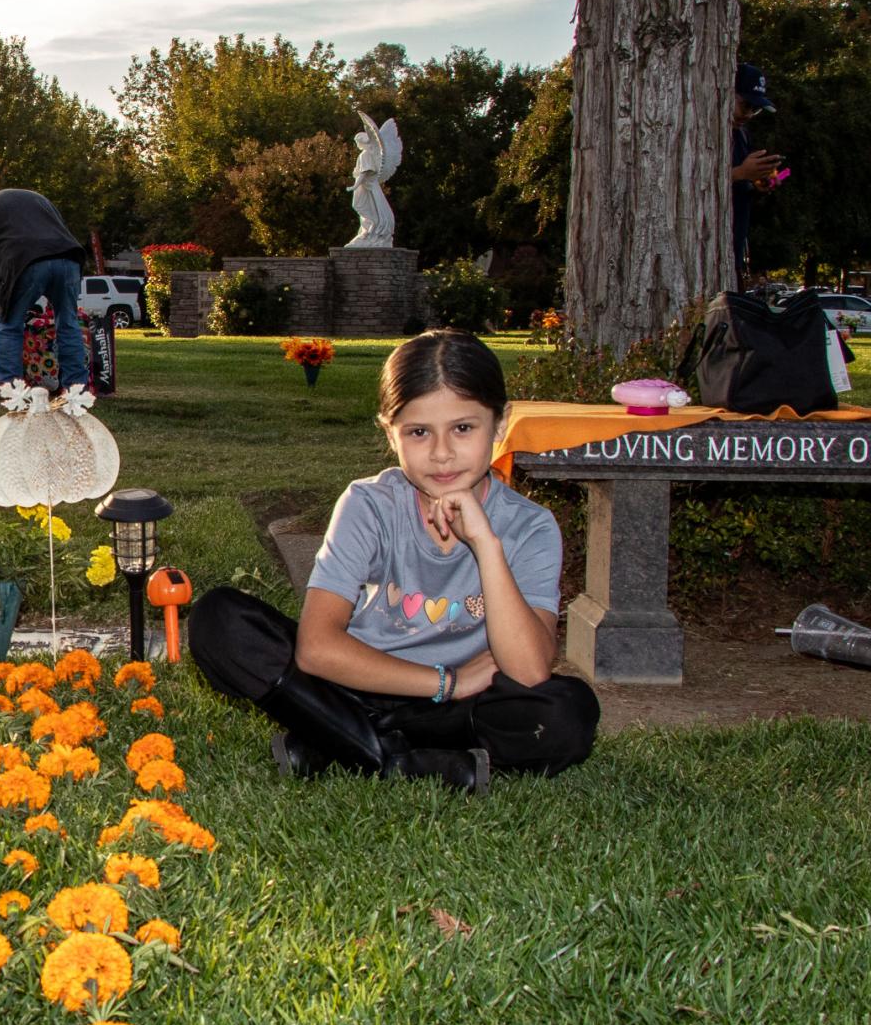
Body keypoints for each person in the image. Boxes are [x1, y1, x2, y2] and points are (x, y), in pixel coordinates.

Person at [186, 330, 599, 792]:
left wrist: (485, 544)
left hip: (463, 709)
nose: (442, 453)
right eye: (419, 432)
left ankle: (339, 744)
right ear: (390, 432)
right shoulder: (370, 504)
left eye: (463, 428)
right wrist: (447, 681)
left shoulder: (530, 526)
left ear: (499, 427)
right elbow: (317, 648)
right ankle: (403, 761)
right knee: (219, 618)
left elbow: (528, 671)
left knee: (568, 710)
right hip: (357, 687)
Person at [0, 187, 87, 390]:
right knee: (68, 324)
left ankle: (12, 389)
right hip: (69, 258)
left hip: (25, 262)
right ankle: (76, 388)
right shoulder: (37, 199)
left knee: (9, 326)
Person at [729, 63, 782, 288]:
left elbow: (740, 184)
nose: (748, 114)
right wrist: (741, 173)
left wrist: (758, 182)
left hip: (734, 248)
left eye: (755, 109)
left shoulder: (741, 134)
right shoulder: (707, 131)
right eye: (745, 105)